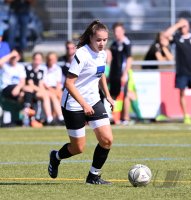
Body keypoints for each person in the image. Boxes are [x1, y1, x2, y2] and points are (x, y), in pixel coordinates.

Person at [48, 20, 114, 184]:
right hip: (74, 104)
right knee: (78, 148)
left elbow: (101, 74)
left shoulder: (102, 54)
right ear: (91, 37)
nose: (102, 43)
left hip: (94, 100)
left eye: (105, 40)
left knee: (107, 140)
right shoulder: (81, 54)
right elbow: (69, 84)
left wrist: (108, 95)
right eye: (98, 40)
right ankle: (56, 157)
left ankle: (93, 176)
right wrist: (84, 105)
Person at [163, 18, 191, 124]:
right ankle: (186, 116)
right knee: (182, 93)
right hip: (182, 72)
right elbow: (165, 35)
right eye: (181, 26)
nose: (183, 27)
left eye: (185, 25)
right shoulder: (177, 37)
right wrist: (177, 25)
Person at [109, 22, 132, 125]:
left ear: (123, 31)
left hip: (122, 74)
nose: (117, 33)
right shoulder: (114, 44)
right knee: (113, 95)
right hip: (114, 74)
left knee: (125, 95)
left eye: (119, 31)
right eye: (115, 31)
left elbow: (129, 59)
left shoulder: (126, 43)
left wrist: (124, 74)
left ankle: (125, 118)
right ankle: (115, 117)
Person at [23, 52, 54, 127]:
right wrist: (42, 91)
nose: (37, 61)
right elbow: (31, 85)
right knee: (45, 95)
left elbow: (40, 84)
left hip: (37, 92)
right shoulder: (28, 69)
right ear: (33, 59)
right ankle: (49, 119)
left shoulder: (41, 70)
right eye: (36, 59)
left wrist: (42, 90)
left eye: (39, 59)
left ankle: (53, 118)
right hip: (29, 92)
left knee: (50, 95)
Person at [43, 52, 64, 125]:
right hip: (46, 88)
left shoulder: (58, 69)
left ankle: (57, 117)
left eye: (53, 59)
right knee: (54, 96)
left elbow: (58, 82)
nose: (51, 61)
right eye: (49, 59)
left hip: (55, 88)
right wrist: (53, 90)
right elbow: (44, 83)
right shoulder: (44, 68)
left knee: (61, 96)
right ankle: (59, 117)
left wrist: (57, 90)